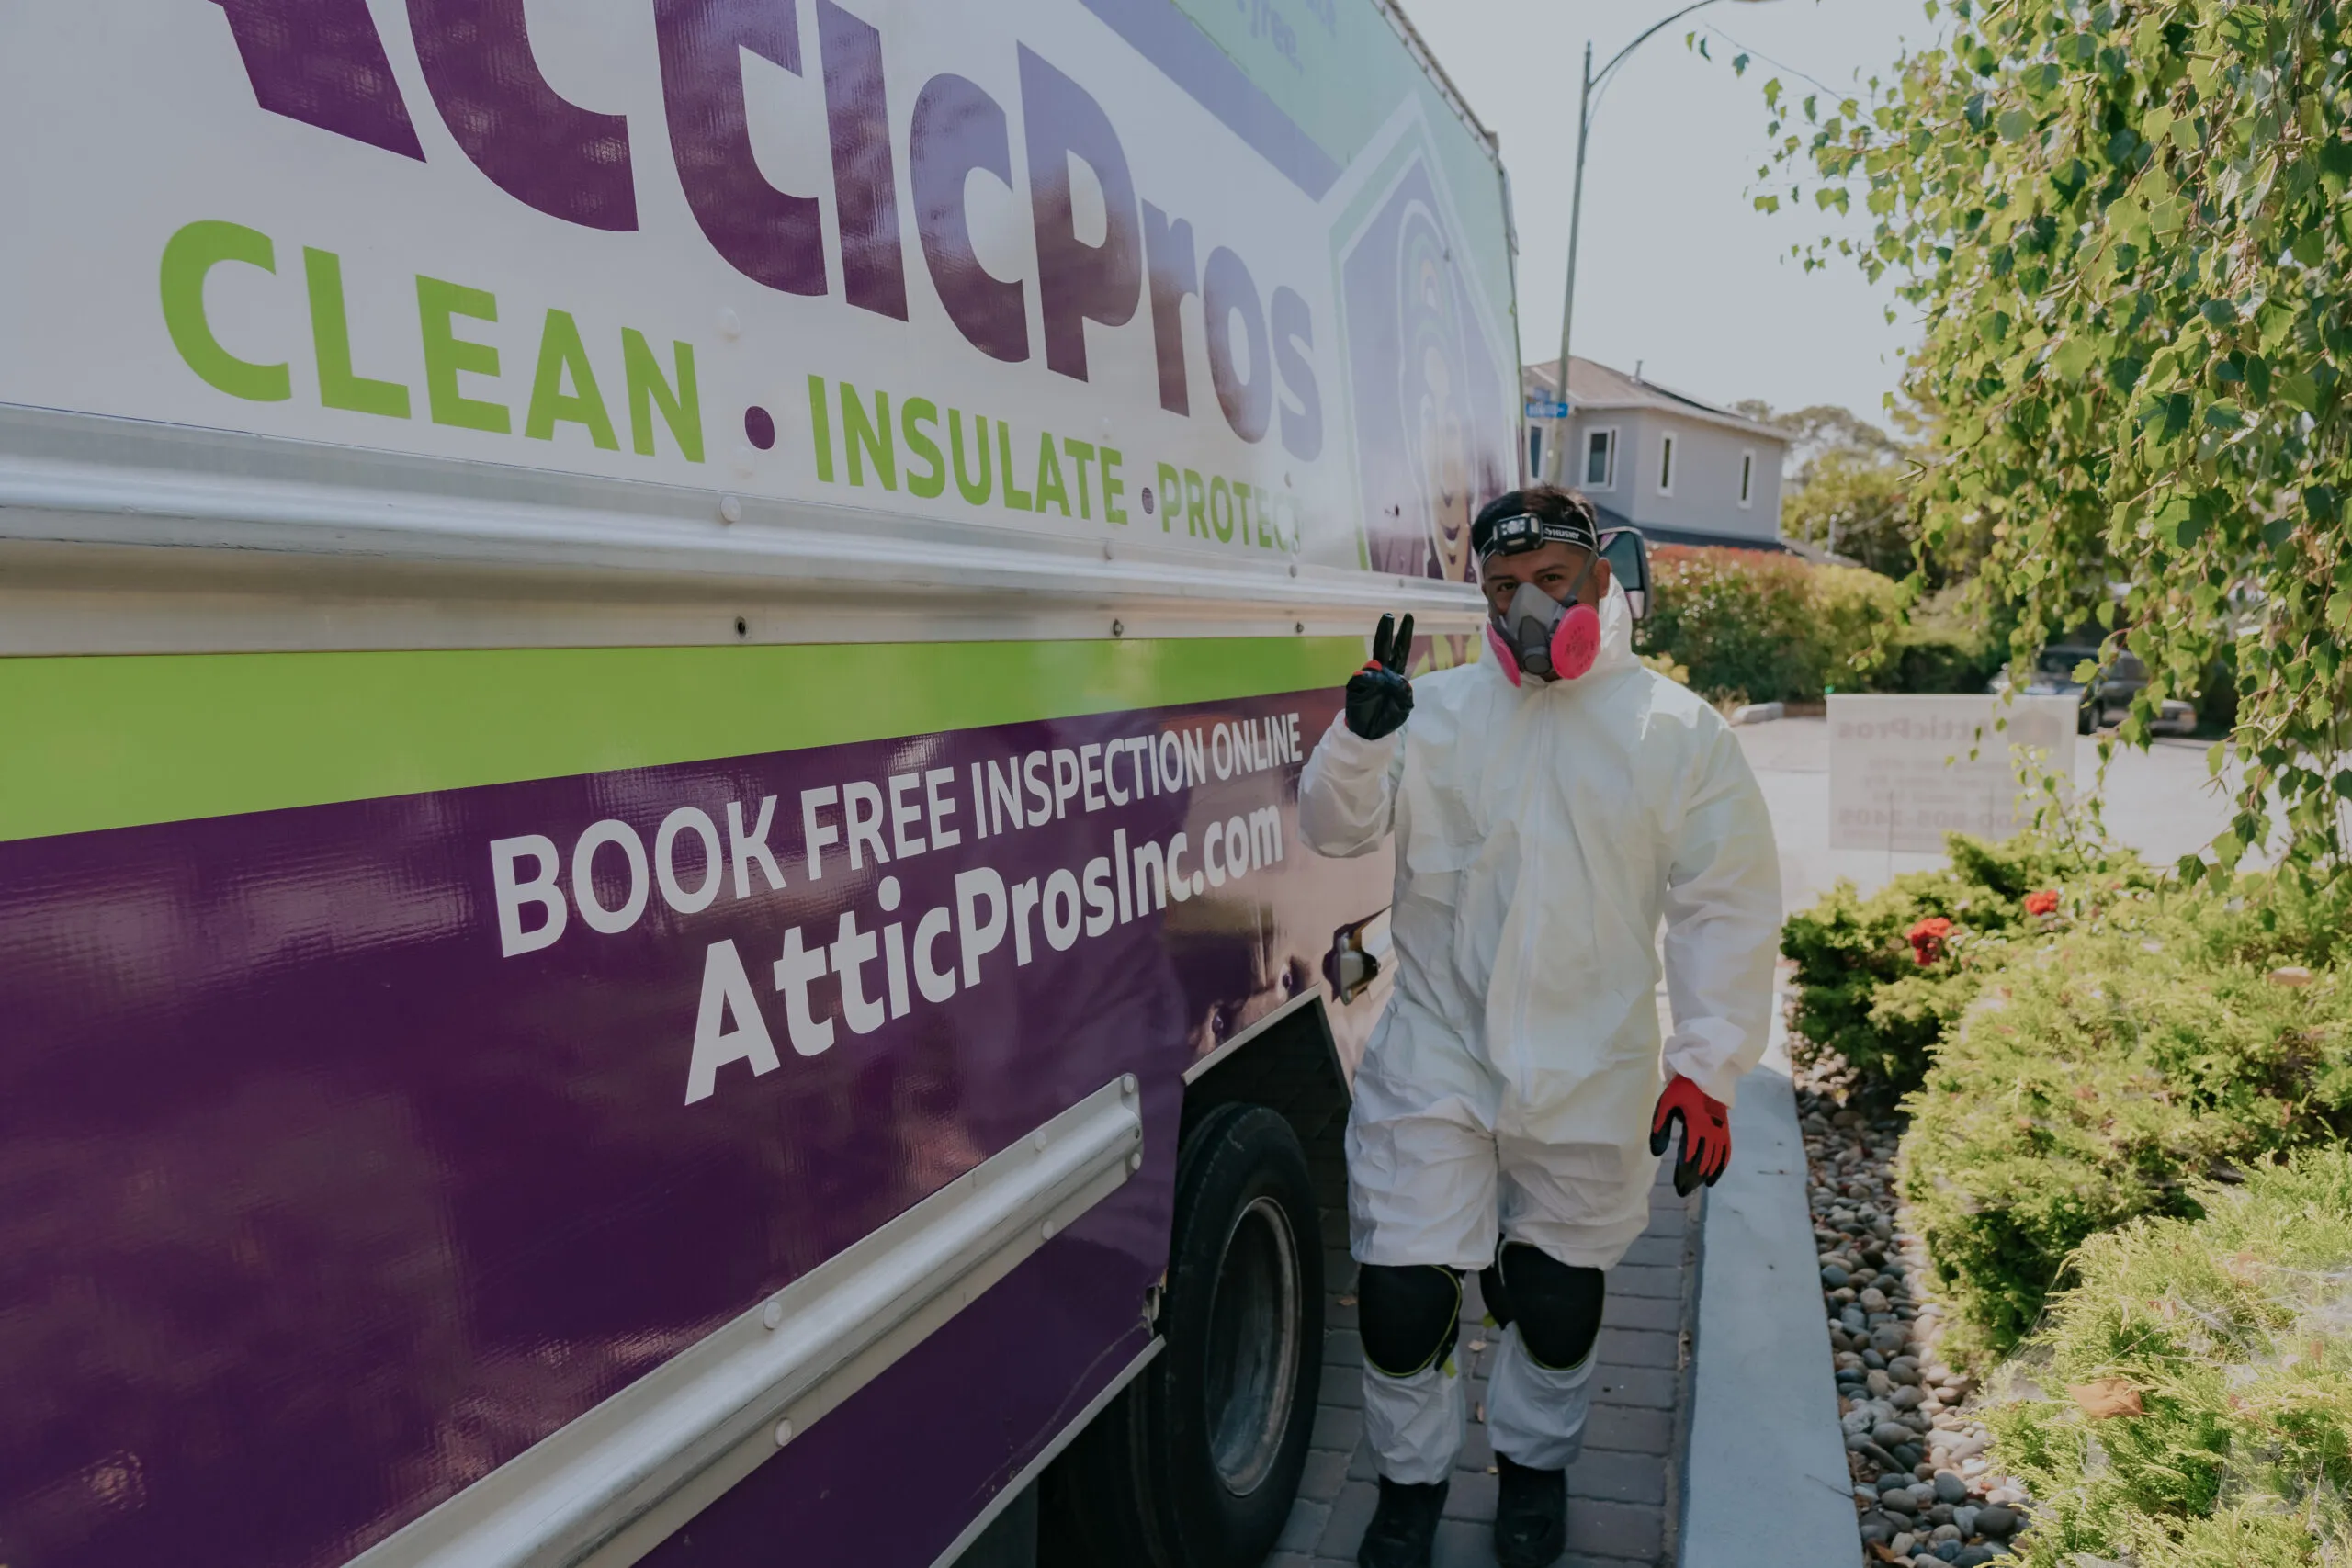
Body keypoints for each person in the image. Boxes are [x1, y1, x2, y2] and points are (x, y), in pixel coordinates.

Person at [1297, 485, 1781, 1568]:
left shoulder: (1673, 732)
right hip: (1437, 1053)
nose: (1527, 608)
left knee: (1557, 1303)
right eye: (1503, 588)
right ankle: (1409, 1491)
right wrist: (1358, 742)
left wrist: (1705, 1068)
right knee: (1398, 1299)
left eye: (1550, 583)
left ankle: (1531, 1476)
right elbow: (1333, 833)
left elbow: (1725, 905)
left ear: (1600, 580)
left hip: (1592, 1062)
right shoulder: (1436, 713)